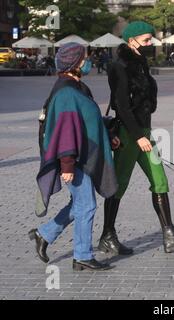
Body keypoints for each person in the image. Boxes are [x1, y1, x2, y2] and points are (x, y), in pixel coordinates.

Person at [98, 21, 174, 255]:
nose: (150, 42)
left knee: (160, 180)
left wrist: (144, 133)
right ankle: (107, 235)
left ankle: (170, 235)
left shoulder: (141, 61)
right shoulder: (118, 65)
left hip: (144, 131)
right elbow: (122, 105)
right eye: (146, 39)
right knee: (119, 184)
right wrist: (136, 136)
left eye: (150, 38)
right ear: (131, 39)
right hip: (128, 133)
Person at [30, 42, 120, 271]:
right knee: (87, 205)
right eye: (85, 58)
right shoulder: (66, 93)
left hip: (82, 154)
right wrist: (67, 165)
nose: (88, 62)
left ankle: (44, 234)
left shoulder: (78, 87)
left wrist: (108, 136)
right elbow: (67, 132)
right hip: (73, 158)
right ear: (75, 62)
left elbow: (87, 121)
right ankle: (81, 255)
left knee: (79, 204)